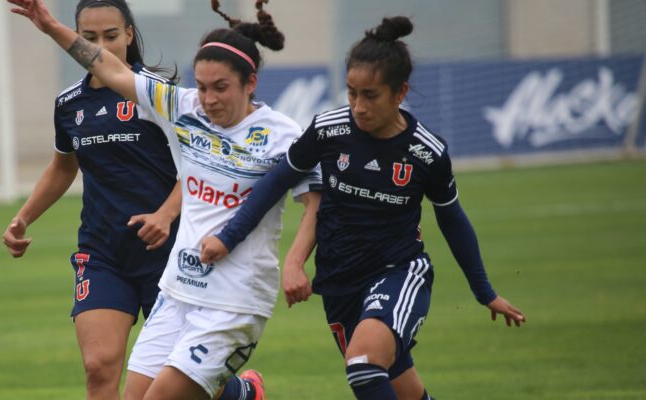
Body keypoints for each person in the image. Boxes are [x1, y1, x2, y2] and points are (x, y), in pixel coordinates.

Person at [201, 16, 527, 400]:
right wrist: (229, 237)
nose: (358, 106)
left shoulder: (427, 152)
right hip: (340, 282)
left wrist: (483, 291)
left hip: (398, 273)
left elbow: (452, 219)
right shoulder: (328, 130)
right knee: (400, 390)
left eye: (370, 95)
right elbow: (276, 181)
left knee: (364, 365)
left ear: (399, 92)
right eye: (352, 93)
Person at [8, 0, 322, 399]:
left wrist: (295, 263)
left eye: (220, 88)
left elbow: (316, 201)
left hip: (233, 297)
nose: (207, 99)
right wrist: (50, 25)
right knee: (124, 386)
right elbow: (104, 67)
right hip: (177, 289)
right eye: (203, 87)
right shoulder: (181, 107)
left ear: (251, 83)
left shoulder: (282, 134)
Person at [1, 1, 183, 399]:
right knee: (99, 368)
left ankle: (240, 391)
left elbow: (199, 167)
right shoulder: (69, 105)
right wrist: (23, 218)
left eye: (112, 36)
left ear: (130, 35)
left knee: (174, 381)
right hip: (103, 253)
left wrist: (167, 215)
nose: (102, 46)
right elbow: (63, 168)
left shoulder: (157, 94)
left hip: (167, 254)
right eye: (90, 37)